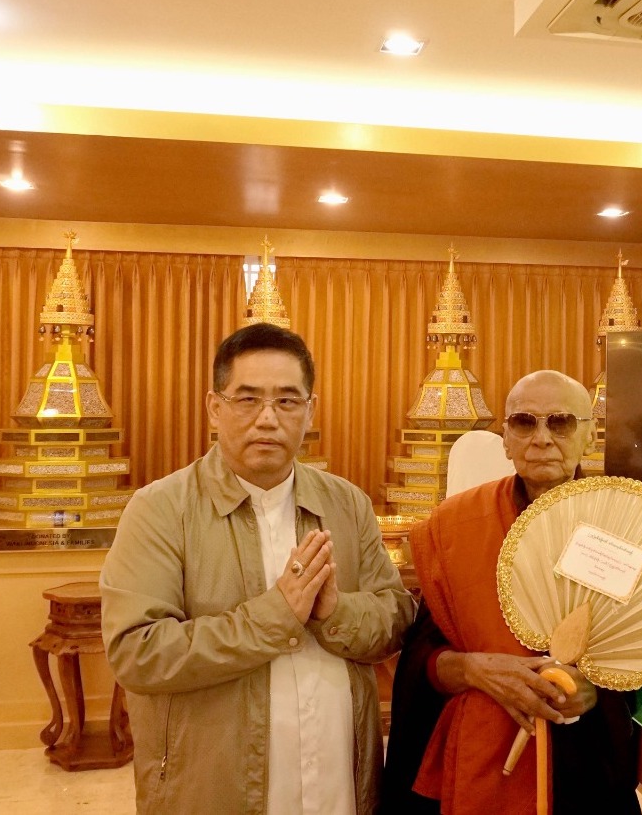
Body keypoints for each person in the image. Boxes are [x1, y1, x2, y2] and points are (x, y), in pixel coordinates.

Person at [101, 323, 416, 814]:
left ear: (311, 410)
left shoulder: (346, 504)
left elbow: (395, 618)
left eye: (287, 401)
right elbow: (138, 653)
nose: (267, 419)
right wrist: (275, 616)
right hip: (217, 787)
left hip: (338, 781)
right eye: (247, 400)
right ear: (214, 408)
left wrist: (334, 611)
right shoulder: (161, 509)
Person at [383, 370, 642, 814]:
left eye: (559, 422)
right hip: (479, 754)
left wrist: (598, 691)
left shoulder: (623, 526)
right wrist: (473, 669)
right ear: (505, 438)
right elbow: (422, 658)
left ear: (590, 436)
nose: (541, 438)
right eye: (524, 422)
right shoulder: (459, 523)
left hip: (580, 760)